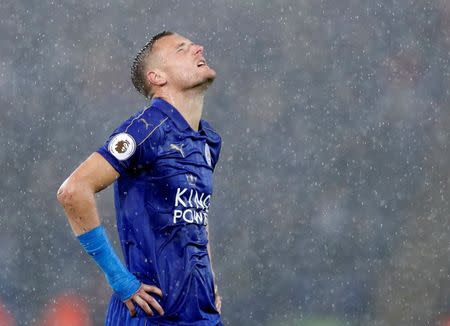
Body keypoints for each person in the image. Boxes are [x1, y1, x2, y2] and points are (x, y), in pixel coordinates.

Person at [57, 31, 223, 325]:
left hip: (201, 315)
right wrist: (120, 279)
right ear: (157, 77)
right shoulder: (147, 128)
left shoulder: (208, 140)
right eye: (182, 49)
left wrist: (209, 279)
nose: (198, 47)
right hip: (151, 315)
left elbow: (196, 212)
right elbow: (74, 190)